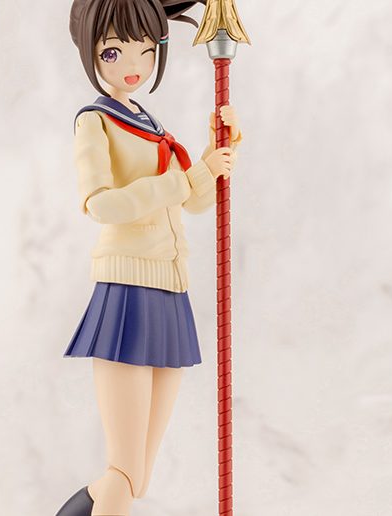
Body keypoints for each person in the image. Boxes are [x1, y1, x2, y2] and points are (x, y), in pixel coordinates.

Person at [57, 1, 243, 514]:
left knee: (136, 477)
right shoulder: (96, 121)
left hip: (169, 290)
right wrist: (186, 179)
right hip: (128, 293)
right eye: (113, 51)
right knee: (123, 469)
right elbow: (100, 203)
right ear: (91, 50)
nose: (132, 64)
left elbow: (192, 200)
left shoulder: (150, 124)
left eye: (146, 49)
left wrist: (217, 153)